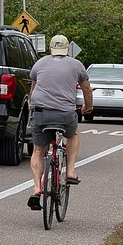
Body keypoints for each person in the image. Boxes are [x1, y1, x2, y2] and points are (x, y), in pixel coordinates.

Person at [26, 34, 93, 211]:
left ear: (50, 49)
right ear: (67, 50)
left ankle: (37, 188)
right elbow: (87, 88)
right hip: (65, 113)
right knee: (73, 134)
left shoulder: (39, 64)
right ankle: (70, 171)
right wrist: (88, 107)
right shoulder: (76, 65)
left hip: (41, 112)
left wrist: (33, 108)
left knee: (38, 150)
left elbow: (33, 89)